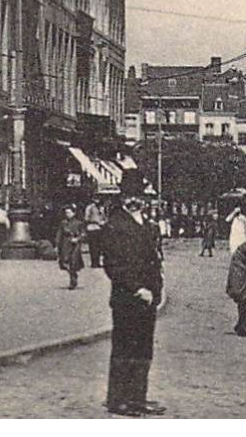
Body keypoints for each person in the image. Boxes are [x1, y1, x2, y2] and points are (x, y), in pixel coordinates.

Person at [102, 175, 166, 415]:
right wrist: (138, 289)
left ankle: (138, 397)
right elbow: (113, 265)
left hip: (148, 298)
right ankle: (118, 399)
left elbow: (155, 260)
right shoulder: (114, 226)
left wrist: (156, 290)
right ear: (122, 197)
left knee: (143, 350)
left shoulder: (148, 225)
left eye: (137, 196)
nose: (134, 201)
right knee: (125, 348)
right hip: (127, 297)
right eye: (129, 196)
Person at [57, 206, 86, 289]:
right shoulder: (63, 223)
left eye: (69, 212)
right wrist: (57, 244)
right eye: (66, 213)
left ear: (74, 213)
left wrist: (77, 239)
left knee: (73, 261)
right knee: (65, 261)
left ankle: (73, 280)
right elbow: (59, 234)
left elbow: (83, 233)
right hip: (65, 244)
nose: (67, 214)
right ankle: (72, 275)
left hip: (75, 245)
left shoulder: (79, 223)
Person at [84, 198, 108, 270]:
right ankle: (94, 262)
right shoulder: (90, 207)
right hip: (92, 228)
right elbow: (86, 218)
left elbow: (104, 217)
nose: (97, 200)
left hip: (100, 228)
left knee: (98, 246)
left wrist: (104, 221)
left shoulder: (102, 208)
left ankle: (97, 262)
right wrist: (95, 221)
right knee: (93, 246)